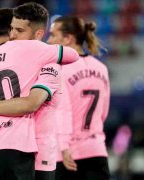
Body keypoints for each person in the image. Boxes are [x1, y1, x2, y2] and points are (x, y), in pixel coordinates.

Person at [0, 8, 79, 180]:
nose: (14, 35)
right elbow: (31, 103)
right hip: (27, 149)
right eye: (12, 30)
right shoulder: (45, 60)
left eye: (18, 30)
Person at [47, 16, 111, 180]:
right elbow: (104, 112)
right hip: (97, 151)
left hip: (68, 153)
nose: (49, 40)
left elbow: (63, 110)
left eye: (53, 35)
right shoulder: (101, 68)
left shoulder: (60, 69)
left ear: (68, 38)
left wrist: (64, 146)